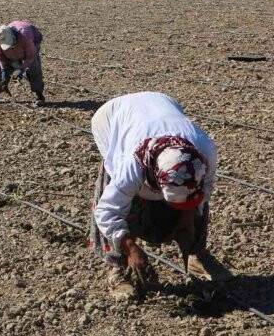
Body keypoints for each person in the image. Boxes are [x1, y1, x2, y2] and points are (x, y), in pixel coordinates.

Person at [89, 91, 231, 301]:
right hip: (113, 119)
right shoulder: (131, 166)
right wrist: (131, 248)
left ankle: (197, 255)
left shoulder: (205, 150)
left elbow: (204, 190)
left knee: (196, 200)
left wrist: (187, 220)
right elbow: (107, 211)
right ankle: (118, 267)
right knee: (122, 200)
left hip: (162, 106)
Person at [0, 20, 46, 107]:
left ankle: (39, 95)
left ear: (13, 38)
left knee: (33, 67)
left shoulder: (26, 37)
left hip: (30, 46)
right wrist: (4, 71)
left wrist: (22, 69)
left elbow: (30, 56)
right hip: (15, 49)